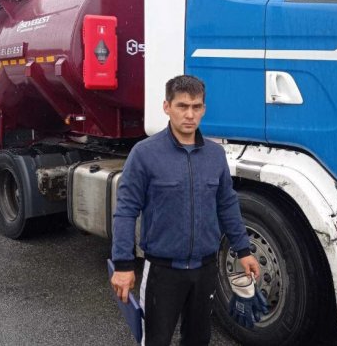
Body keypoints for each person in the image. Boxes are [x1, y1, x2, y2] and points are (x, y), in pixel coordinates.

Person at [110, 75, 260, 346]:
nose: (190, 115)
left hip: (205, 270)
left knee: (198, 340)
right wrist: (123, 265)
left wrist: (243, 250)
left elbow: (227, 204)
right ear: (166, 107)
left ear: (203, 108)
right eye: (182, 106)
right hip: (162, 272)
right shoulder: (144, 154)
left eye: (196, 107)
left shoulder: (215, 155)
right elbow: (125, 211)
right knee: (156, 340)